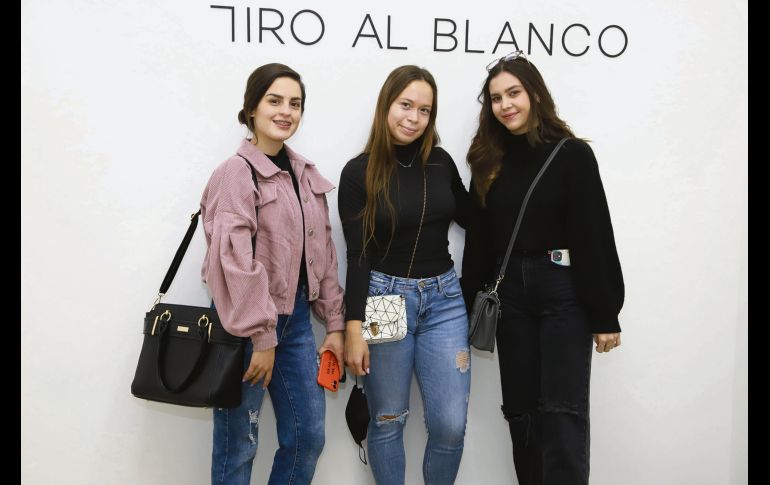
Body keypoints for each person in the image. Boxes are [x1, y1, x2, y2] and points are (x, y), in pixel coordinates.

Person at [461, 51, 625, 485]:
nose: (505, 105)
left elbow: (593, 235)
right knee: (521, 411)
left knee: (564, 409)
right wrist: (465, 306)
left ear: (534, 93)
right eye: (496, 98)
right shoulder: (486, 160)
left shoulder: (571, 155)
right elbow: (479, 243)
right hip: (509, 291)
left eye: (513, 93)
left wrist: (604, 312)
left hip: (562, 289)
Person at [200, 63, 345, 485]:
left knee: (308, 437)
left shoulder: (304, 174)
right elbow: (233, 264)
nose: (286, 111)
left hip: (297, 321)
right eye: (274, 101)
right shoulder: (236, 172)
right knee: (238, 444)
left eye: (295, 103)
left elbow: (322, 253)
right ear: (251, 109)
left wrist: (334, 322)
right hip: (245, 326)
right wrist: (262, 336)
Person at [339, 65, 472, 485]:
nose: (413, 118)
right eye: (406, 105)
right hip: (384, 299)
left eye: (425, 110)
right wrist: (354, 327)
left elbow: (474, 217)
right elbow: (357, 255)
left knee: (450, 425)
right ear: (386, 105)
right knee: (387, 419)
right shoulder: (358, 172)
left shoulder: (442, 162)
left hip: (445, 301)